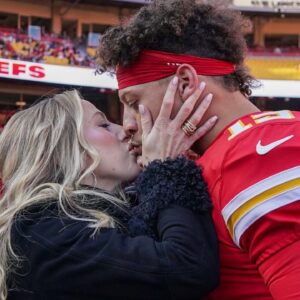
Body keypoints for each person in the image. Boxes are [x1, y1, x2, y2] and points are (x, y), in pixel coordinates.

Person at [97, 0, 300, 299]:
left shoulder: (259, 153)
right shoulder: (221, 152)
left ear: (185, 83)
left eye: (132, 101)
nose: (127, 124)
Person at [0, 88, 219, 300]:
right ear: (61, 151)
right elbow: (186, 269)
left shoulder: (113, 208)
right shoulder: (43, 232)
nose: (124, 129)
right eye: (103, 124)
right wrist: (166, 165)